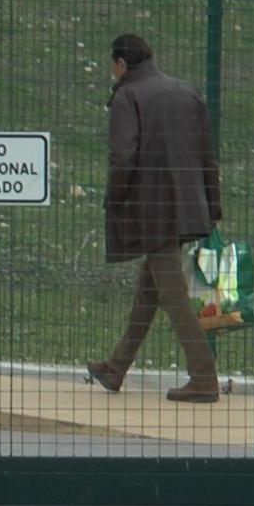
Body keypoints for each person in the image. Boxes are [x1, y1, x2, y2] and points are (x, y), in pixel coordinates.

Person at [88, 34, 223, 403]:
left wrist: (115, 200)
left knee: (174, 295)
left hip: (153, 211)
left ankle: (204, 378)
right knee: (150, 290)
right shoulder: (187, 92)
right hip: (189, 206)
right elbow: (207, 154)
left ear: (120, 64)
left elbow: (122, 157)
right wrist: (214, 206)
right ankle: (116, 368)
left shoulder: (127, 96)